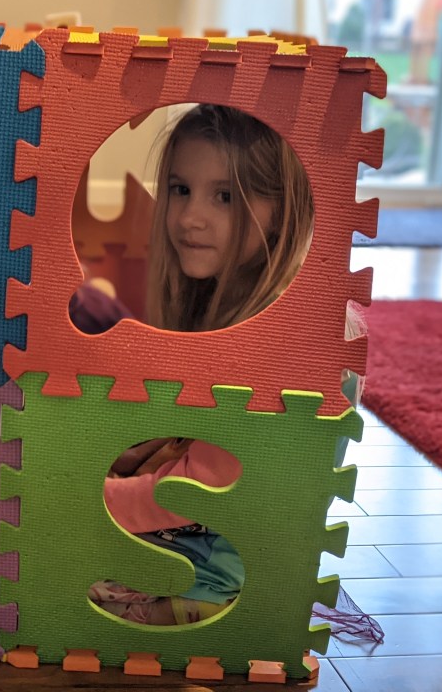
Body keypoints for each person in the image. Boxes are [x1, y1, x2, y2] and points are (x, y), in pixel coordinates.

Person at [92, 104, 316, 625]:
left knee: (28, 568)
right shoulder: (213, 303)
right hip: (195, 533)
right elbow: (180, 434)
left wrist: (89, 496)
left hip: (226, 569)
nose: (190, 217)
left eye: (225, 196)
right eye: (180, 189)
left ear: (283, 210)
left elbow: (206, 490)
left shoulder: (277, 340)